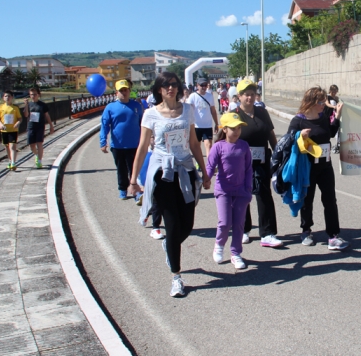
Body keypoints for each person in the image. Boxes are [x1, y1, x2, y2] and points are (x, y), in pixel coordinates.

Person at [129, 71, 211, 297]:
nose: (170, 88)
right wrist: (133, 180)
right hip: (163, 175)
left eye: (174, 85)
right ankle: (176, 276)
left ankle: (170, 245)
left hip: (185, 171)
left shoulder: (188, 110)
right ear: (159, 90)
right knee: (173, 225)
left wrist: (204, 172)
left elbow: (194, 143)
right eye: (166, 86)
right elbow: (142, 147)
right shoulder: (150, 114)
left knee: (187, 224)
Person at [288, 86, 349, 250]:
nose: (324, 104)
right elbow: (287, 142)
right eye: (321, 101)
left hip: (326, 165)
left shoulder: (323, 117)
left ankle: (333, 235)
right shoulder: (299, 121)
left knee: (330, 200)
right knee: (307, 200)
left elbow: (330, 133)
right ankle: (306, 231)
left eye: (324, 101)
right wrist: (299, 136)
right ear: (311, 102)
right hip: (308, 167)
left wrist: (337, 117)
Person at [234, 79, 282, 247]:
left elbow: (270, 134)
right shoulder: (234, 115)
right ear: (239, 96)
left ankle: (267, 233)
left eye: (253, 94)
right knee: (242, 196)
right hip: (240, 162)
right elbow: (223, 138)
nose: (250, 98)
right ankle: (243, 230)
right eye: (246, 95)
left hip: (262, 160)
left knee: (264, 194)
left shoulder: (262, 112)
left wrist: (278, 154)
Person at [206, 113, 253, 270]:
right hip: (223, 191)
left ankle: (236, 253)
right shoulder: (218, 147)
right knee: (225, 222)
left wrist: (248, 189)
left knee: (239, 224)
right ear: (224, 129)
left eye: (239, 128)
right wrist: (205, 180)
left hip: (241, 191)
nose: (237, 131)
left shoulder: (244, 146)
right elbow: (210, 166)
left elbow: (248, 169)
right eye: (233, 128)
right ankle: (219, 245)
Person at [100, 79, 143, 200]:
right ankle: (122, 188)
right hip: (118, 145)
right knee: (121, 169)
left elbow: (143, 123)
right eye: (121, 91)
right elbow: (104, 125)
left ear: (129, 91)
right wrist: (103, 142)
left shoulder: (136, 106)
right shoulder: (110, 107)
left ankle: (135, 191)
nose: (124, 93)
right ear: (116, 93)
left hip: (134, 144)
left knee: (134, 168)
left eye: (126, 90)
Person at [186, 78, 219, 158]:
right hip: (196, 126)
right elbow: (187, 110)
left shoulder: (209, 96)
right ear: (197, 85)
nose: (204, 87)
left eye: (205, 85)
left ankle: (209, 166)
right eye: (202, 85)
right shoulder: (193, 96)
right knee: (197, 146)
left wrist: (216, 123)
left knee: (208, 145)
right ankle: (199, 163)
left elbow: (213, 111)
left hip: (207, 126)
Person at [23, 87, 55, 169]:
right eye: (31, 94)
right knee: (31, 145)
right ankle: (36, 154)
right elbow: (26, 115)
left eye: (34, 94)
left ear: (38, 95)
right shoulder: (29, 104)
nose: (33, 96)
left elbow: (47, 115)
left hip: (40, 126)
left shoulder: (42, 105)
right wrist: (26, 105)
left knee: (39, 143)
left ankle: (40, 161)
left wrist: (51, 125)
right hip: (31, 126)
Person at [0, 91, 22, 171]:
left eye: (9, 96)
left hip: (13, 130)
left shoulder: (15, 108)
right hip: (4, 130)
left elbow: (20, 118)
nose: (7, 98)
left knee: (12, 146)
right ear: (3, 98)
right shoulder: (1, 107)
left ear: (12, 97)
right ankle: (10, 160)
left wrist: (17, 123)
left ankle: (13, 162)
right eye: (6, 96)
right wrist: (0, 124)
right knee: (6, 147)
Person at [324, 85, 341, 154]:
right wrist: (334, 106)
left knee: (336, 130)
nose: (334, 93)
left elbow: (340, 104)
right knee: (327, 129)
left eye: (336, 92)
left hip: (334, 115)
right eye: (333, 91)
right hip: (327, 115)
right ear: (330, 91)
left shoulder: (336, 98)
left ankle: (337, 144)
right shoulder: (327, 96)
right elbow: (327, 104)